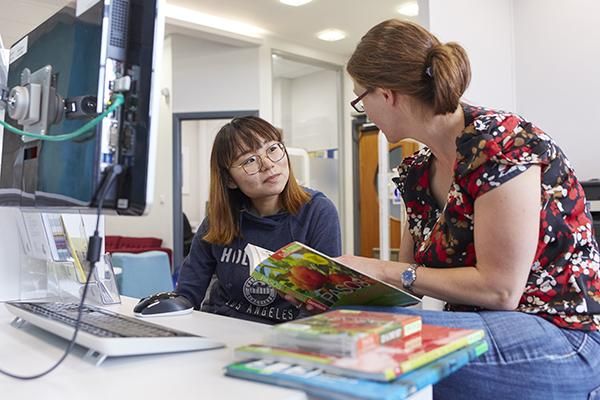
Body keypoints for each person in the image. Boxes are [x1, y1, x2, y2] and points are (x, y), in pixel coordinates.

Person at [341, 19, 600, 399]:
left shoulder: (504, 143)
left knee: (372, 351)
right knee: (351, 327)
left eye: (360, 99)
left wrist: (383, 269)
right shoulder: (415, 175)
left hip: (564, 332)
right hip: (489, 327)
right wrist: (342, 288)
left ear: (387, 94)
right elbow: (406, 283)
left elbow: (500, 290)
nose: (365, 112)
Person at [175, 116, 341, 324]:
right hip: (221, 328)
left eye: (272, 149)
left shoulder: (317, 212)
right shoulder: (221, 219)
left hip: (284, 337)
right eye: (249, 160)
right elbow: (188, 292)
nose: (268, 165)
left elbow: (322, 305)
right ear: (229, 180)